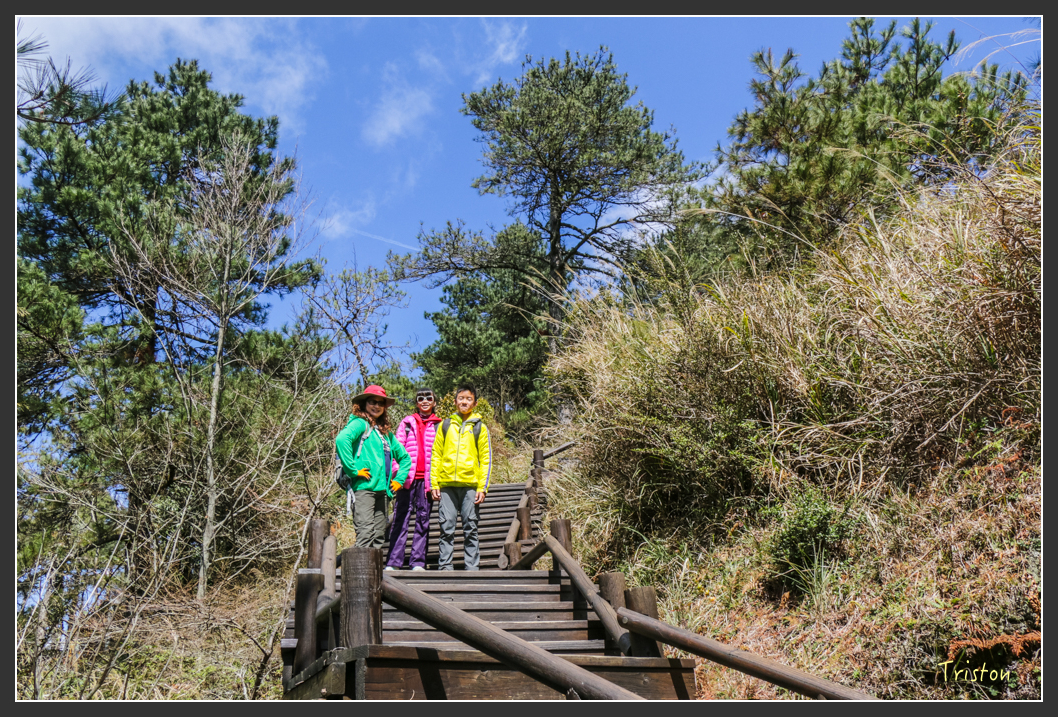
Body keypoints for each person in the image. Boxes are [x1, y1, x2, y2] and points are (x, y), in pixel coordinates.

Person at [335, 385, 411, 549]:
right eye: (372, 402)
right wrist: (353, 470)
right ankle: (358, 574)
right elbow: (342, 440)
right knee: (365, 534)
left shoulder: (385, 434)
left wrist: (399, 480)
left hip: (383, 491)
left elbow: (405, 458)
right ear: (363, 404)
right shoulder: (360, 424)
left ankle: (374, 574)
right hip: (364, 488)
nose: (376, 406)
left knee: (378, 536)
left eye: (380, 403)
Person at [431, 383, 491, 570]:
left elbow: (486, 459)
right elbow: (436, 455)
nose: (464, 402)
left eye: (468, 399)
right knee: (446, 527)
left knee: (470, 527)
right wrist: (434, 483)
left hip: (471, 485)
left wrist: (482, 487)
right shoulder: (445, 425)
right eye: (461, 398)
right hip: (447, 484)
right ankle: (445, 568)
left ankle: (471, 568)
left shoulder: (480, 427)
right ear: (455, 401)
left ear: (474, 403)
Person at [384, 387, 442, 571]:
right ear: (416, 403)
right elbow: (395, 449)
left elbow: (442, 454)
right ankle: (394, 561)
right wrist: (397, 473)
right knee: (401, 518)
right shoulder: (407, 423)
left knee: (423, 520)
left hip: (427, 481)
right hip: (406, 479)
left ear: (434, 402)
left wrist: (437, 481)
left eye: (429, 397)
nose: (424, 400)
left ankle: (417, 562)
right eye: (420, 398)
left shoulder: (440, 425)